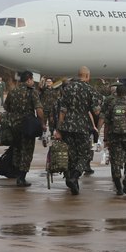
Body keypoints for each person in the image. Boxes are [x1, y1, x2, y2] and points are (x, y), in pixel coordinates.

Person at [54, 67, 100, 195]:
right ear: (86, 75)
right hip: (82, 127)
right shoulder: (90, 89)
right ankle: (74, 176)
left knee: (71, 154)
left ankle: (69, 178)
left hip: (67, 126)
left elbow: (62, 111)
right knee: (84, 154)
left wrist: (58, 129)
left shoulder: (67, 88)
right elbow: (96, 111)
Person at [3, 71, 46, 186]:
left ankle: (17, 173)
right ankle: (21, 177)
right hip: (27, 126)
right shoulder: (32, 92)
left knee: (17, 149)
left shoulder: (13, 91)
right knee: (27, 151)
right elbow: (39, 109)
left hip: (14, 125)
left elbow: (6, 106)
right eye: (32, 80)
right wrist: (42, 123)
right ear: (28, 80)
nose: (33, 82)